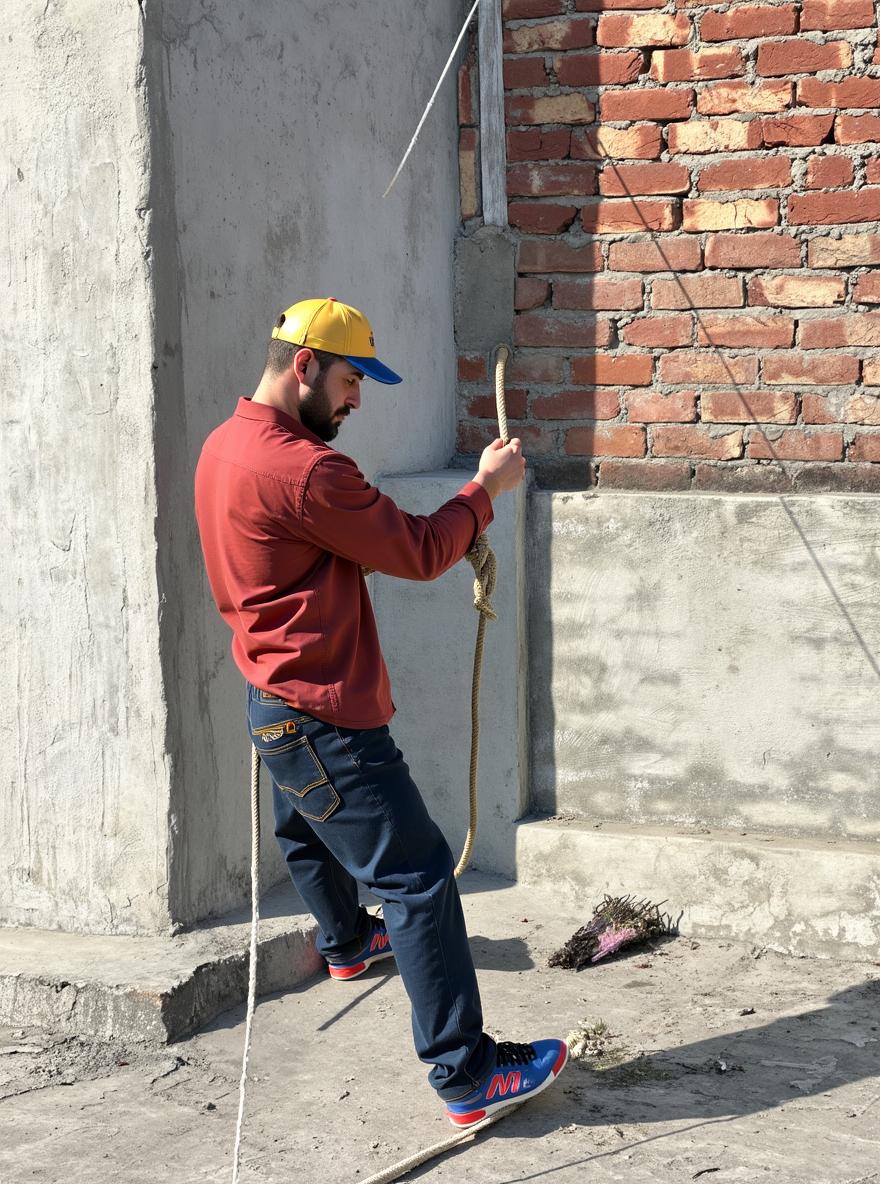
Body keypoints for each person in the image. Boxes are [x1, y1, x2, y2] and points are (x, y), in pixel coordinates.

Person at [194, 297, 567, 1127]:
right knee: (418, 875)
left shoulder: (225, 447)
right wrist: (485, 489)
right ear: (304, 367)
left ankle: (346, 944)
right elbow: (423, 551)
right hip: (326, 714)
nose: (357, 400)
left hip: (273, 699)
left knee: (305, 826)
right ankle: (467, 1074)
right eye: (352, 379)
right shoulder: (306, 470)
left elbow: (297, 555)